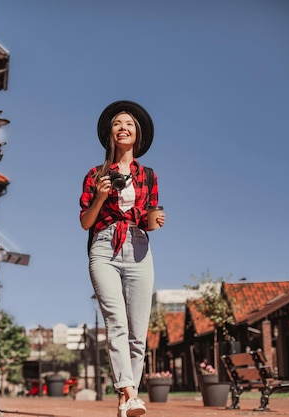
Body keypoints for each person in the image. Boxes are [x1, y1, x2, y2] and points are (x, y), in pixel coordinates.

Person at [79, 100, 165, 417]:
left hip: (139, 246)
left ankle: (125, 402)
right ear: (110, 134)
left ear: (136, 134)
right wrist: (101, 195)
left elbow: (150, 219)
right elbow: (86, 222)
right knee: (116, 322)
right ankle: (130, 393)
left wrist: (155, 219)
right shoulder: (95, 174)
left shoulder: (149, 175)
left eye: (128, 123)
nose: (123, 127)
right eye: (117, 123)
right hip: (104, 246)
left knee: (137, 332)